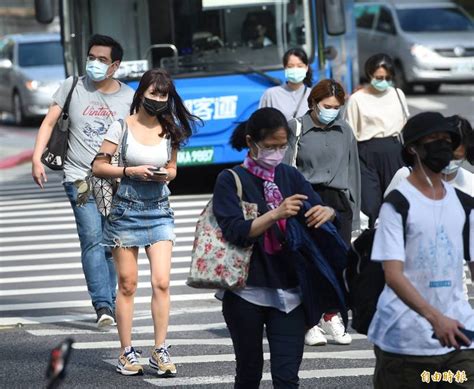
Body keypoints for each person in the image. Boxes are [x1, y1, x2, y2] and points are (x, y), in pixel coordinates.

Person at [213, 107, 348, 388]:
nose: (276, 152)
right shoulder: (231, 179)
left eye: (282, 146)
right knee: (249, 373)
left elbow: (317, 207)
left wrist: (326, 213)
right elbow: (235, 231)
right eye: (270, 146)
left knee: (287, 377)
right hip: (245, 293)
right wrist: (275, 214)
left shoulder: (289, 175)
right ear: (251, 143)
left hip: (291, 293)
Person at [92, 69, 200, 376]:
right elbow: (99, 165)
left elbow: (174, 168)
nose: (157, 100)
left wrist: (167, 175)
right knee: (127, 284)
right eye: (153, 93)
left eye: (163, 95)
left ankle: (160, 350)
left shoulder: (171, 129)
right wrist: (130, 171)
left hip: (159, 209)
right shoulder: (120, 127)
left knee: (162, 282)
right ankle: (126, 352)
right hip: (125, 210)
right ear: (141, 94)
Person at [31, 34, 134, 327]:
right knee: (91, 237)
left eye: (102, 60)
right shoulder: (72, 86)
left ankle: (112, 302)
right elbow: (49, 122)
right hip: (81, 178)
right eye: (91, 57)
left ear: (115, 66)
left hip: (115, 179)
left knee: (111, 242)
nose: (95, 64)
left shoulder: (128, 97)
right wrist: (36, 158)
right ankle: (103, 306)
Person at [369, 112, 474, 389]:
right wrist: (435, 318)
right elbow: (393, 275)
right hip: (405, 343)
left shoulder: (465, 205)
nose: (442, 147)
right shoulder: (397, 205)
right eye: (433, 140)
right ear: (413, 148)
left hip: (458, 339)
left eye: (446, 140)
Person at [283, 79, 360, 346]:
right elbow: (285, 168)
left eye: (337, 107)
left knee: (338, 265)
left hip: (339, 204)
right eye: (327, 106)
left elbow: (354, 173)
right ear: (314, 103)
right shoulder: (297, 127)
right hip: (308, 200)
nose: (332, 111)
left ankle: (332, 316)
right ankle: (310, 321)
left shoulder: (345, 130)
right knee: (311, 265)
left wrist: (355, 212)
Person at [385, 115, 474, 298]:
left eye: (457, 157)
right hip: (408, 299)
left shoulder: (468, 192)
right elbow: (390, 267)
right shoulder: (404, 182)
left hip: (453, 299)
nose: (449, 163)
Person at [345, 53, 409, 227]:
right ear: (370, 75)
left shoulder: (397, 94)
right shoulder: (357, 99)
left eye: (387, 78)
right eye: (379, 77)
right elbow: (350, 131)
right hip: (366, 154)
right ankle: (371, 246)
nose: (383, 81)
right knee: (370, 204)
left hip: (395, 151)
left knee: (395, 202)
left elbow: (405, 123)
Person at [259, 48, 312, 120]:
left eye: (299, 66)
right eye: (290, 66)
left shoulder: (313, 94)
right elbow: (259, 123)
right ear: (285, 68)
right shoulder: (271, 94)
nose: (295, 70)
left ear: (306, 68)